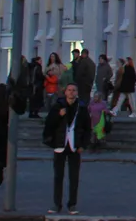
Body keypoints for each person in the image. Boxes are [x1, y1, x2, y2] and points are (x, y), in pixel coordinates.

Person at [44, 83, 91, 215]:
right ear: (65, 92)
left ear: (77, 93)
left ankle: (72, 204)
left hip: (74, 146)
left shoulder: (81, 108)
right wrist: (58, 115)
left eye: (74, 90)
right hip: (60, 145)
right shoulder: (57, 106)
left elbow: (87, 127)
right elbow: (49, 124)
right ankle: (56, 204)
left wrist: (83, 145)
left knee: (74, 177)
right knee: (58, 176)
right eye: (69, 90)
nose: (71, 92)